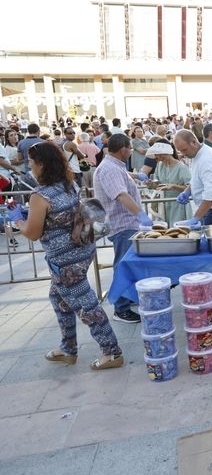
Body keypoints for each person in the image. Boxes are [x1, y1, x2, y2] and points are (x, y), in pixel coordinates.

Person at [7, 142, 124, 370]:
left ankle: (112, 353)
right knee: (58, 298)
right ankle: (68, 348)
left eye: (31, 163)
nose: (30, 168)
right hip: (82, 251)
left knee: (86, 305)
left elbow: (32, 233)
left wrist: (18, 220)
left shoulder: (40, 196)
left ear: (42, 164)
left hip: (65, 263)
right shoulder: (68, 184)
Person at [172, 130, 212, 307]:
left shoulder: (207, 159)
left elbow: (210, 195)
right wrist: (187, 192)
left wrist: (196, 218)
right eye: (180, 151)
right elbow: (196, 180)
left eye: (184, 150)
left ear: (194, 142)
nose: (183, 154)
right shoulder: (197, 156)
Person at [92, 134, 152, 323]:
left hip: (127, 224)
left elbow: (121, 179)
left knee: (128, 265)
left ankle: (127, 297)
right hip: (122, 225)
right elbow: (121, 195)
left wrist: (136, 176)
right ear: (123, 149)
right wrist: (140, 214)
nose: (131, 152)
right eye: (130, 149)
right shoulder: (109, 169)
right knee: (123, 266)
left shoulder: (114, 166)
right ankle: (121, 308)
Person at [146, 141, 192, 226]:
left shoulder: (182, 167)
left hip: (178, 203)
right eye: (156, 155)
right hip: (163, 204)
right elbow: (158, 184)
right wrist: (151, 184)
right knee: (164, 228)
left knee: (177, 228)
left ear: (168, 153)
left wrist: (174, 187)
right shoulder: (159, 166)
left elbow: (190, 187)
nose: (158, 157)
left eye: (160, 154)